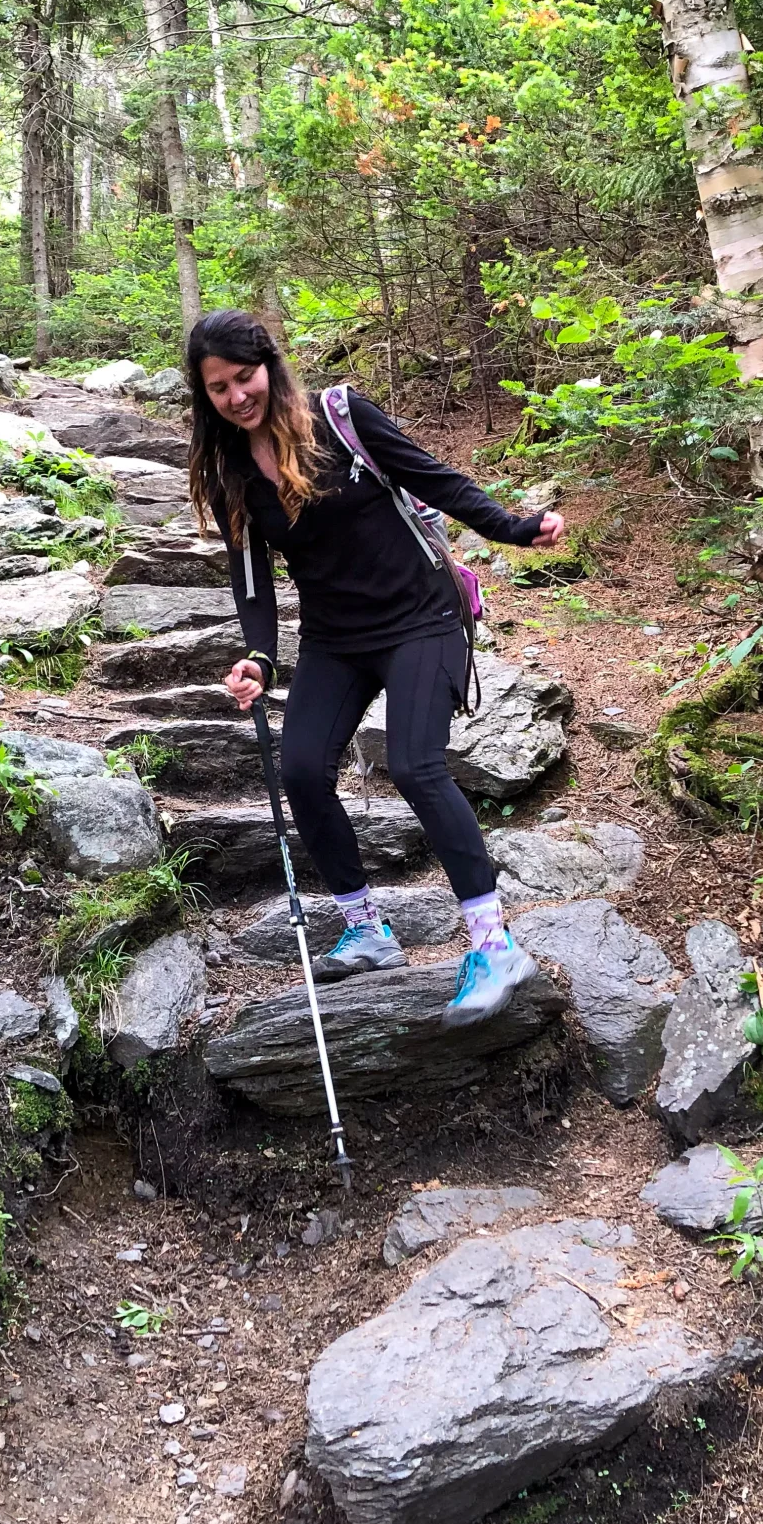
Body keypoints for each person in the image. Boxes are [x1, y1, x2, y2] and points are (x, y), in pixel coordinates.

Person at [186, 308, 568, 1026]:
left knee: (416, 763)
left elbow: (437, 479)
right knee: (300, 768)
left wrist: (515, 529)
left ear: (269, 365)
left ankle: (493, 944)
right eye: (219, 388)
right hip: (336, 636)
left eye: (245, 377)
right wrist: (259, 659)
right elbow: (253, 583)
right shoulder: (228, 471)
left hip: (422, 618)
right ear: (203, 395)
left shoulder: (339, 417)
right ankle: (367, 929)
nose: (238, 396)